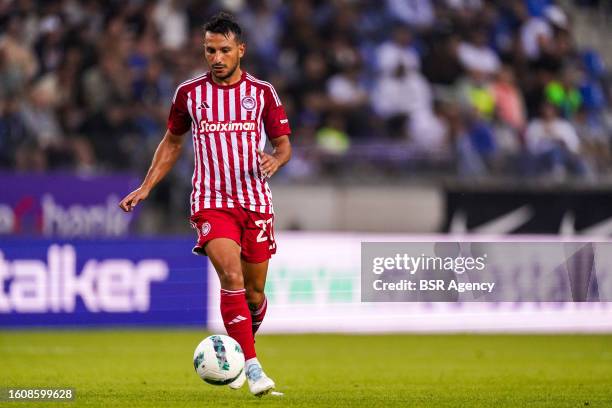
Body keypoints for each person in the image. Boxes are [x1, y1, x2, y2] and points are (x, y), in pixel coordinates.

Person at [118, 12, 291, 397]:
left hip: (255, 201)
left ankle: (240, 351)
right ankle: (253, 367)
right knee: (229, 276)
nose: (216, 57)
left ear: (240, 50)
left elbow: (283, 145)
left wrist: (275, 160)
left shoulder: (262, 93)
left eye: (224, 50)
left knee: (254, 294)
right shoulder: (189, 94)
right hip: (211, 201)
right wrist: (147, 185)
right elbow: (173, 142)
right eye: (210, 50)